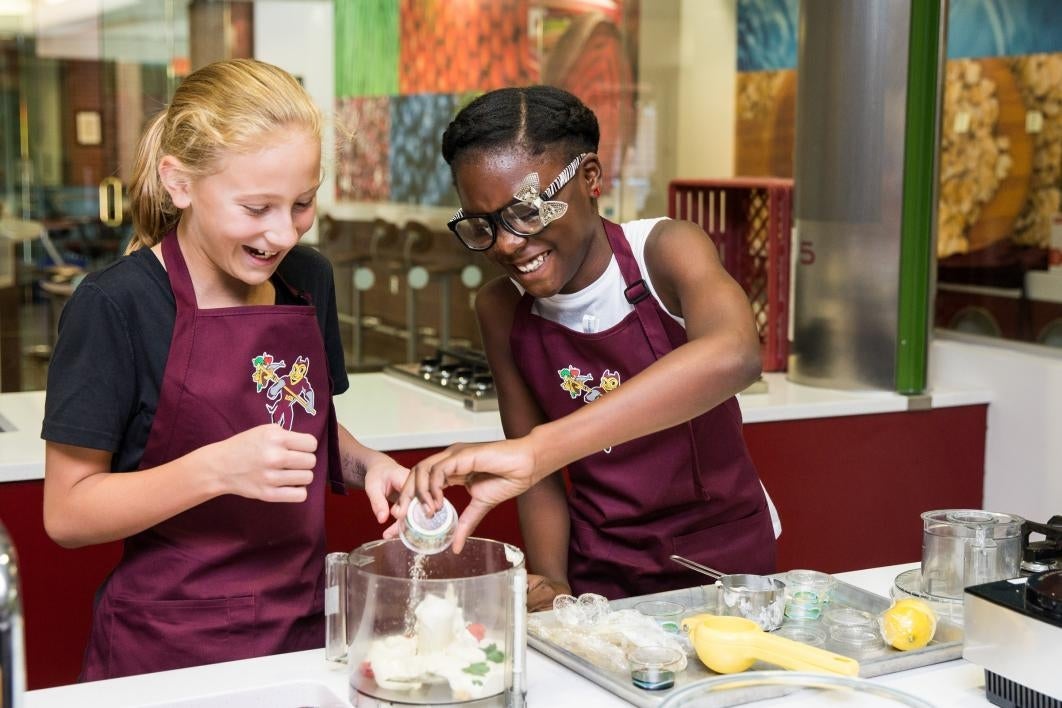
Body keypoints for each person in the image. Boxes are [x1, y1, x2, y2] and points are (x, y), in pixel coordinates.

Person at [41, 58, 408, 681]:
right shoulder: (117, 306)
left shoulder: (307, 279)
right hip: (168, 650)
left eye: (302, 203)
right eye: (256, 207)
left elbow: (305, 424)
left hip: (301, 631)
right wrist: (215, 469)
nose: (283, 233)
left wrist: (366, 462)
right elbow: (68, 514)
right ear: (179, 184)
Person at [394, 86, 780, 608]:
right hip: (601, 568)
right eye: (483, 225)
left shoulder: (665, 253)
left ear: (591, 178)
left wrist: (537, 449)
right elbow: (538, 479)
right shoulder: (501, 308)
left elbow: (735, 353)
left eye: (527, 212)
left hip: (721, 566)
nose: (507, 244)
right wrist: (553, 579)